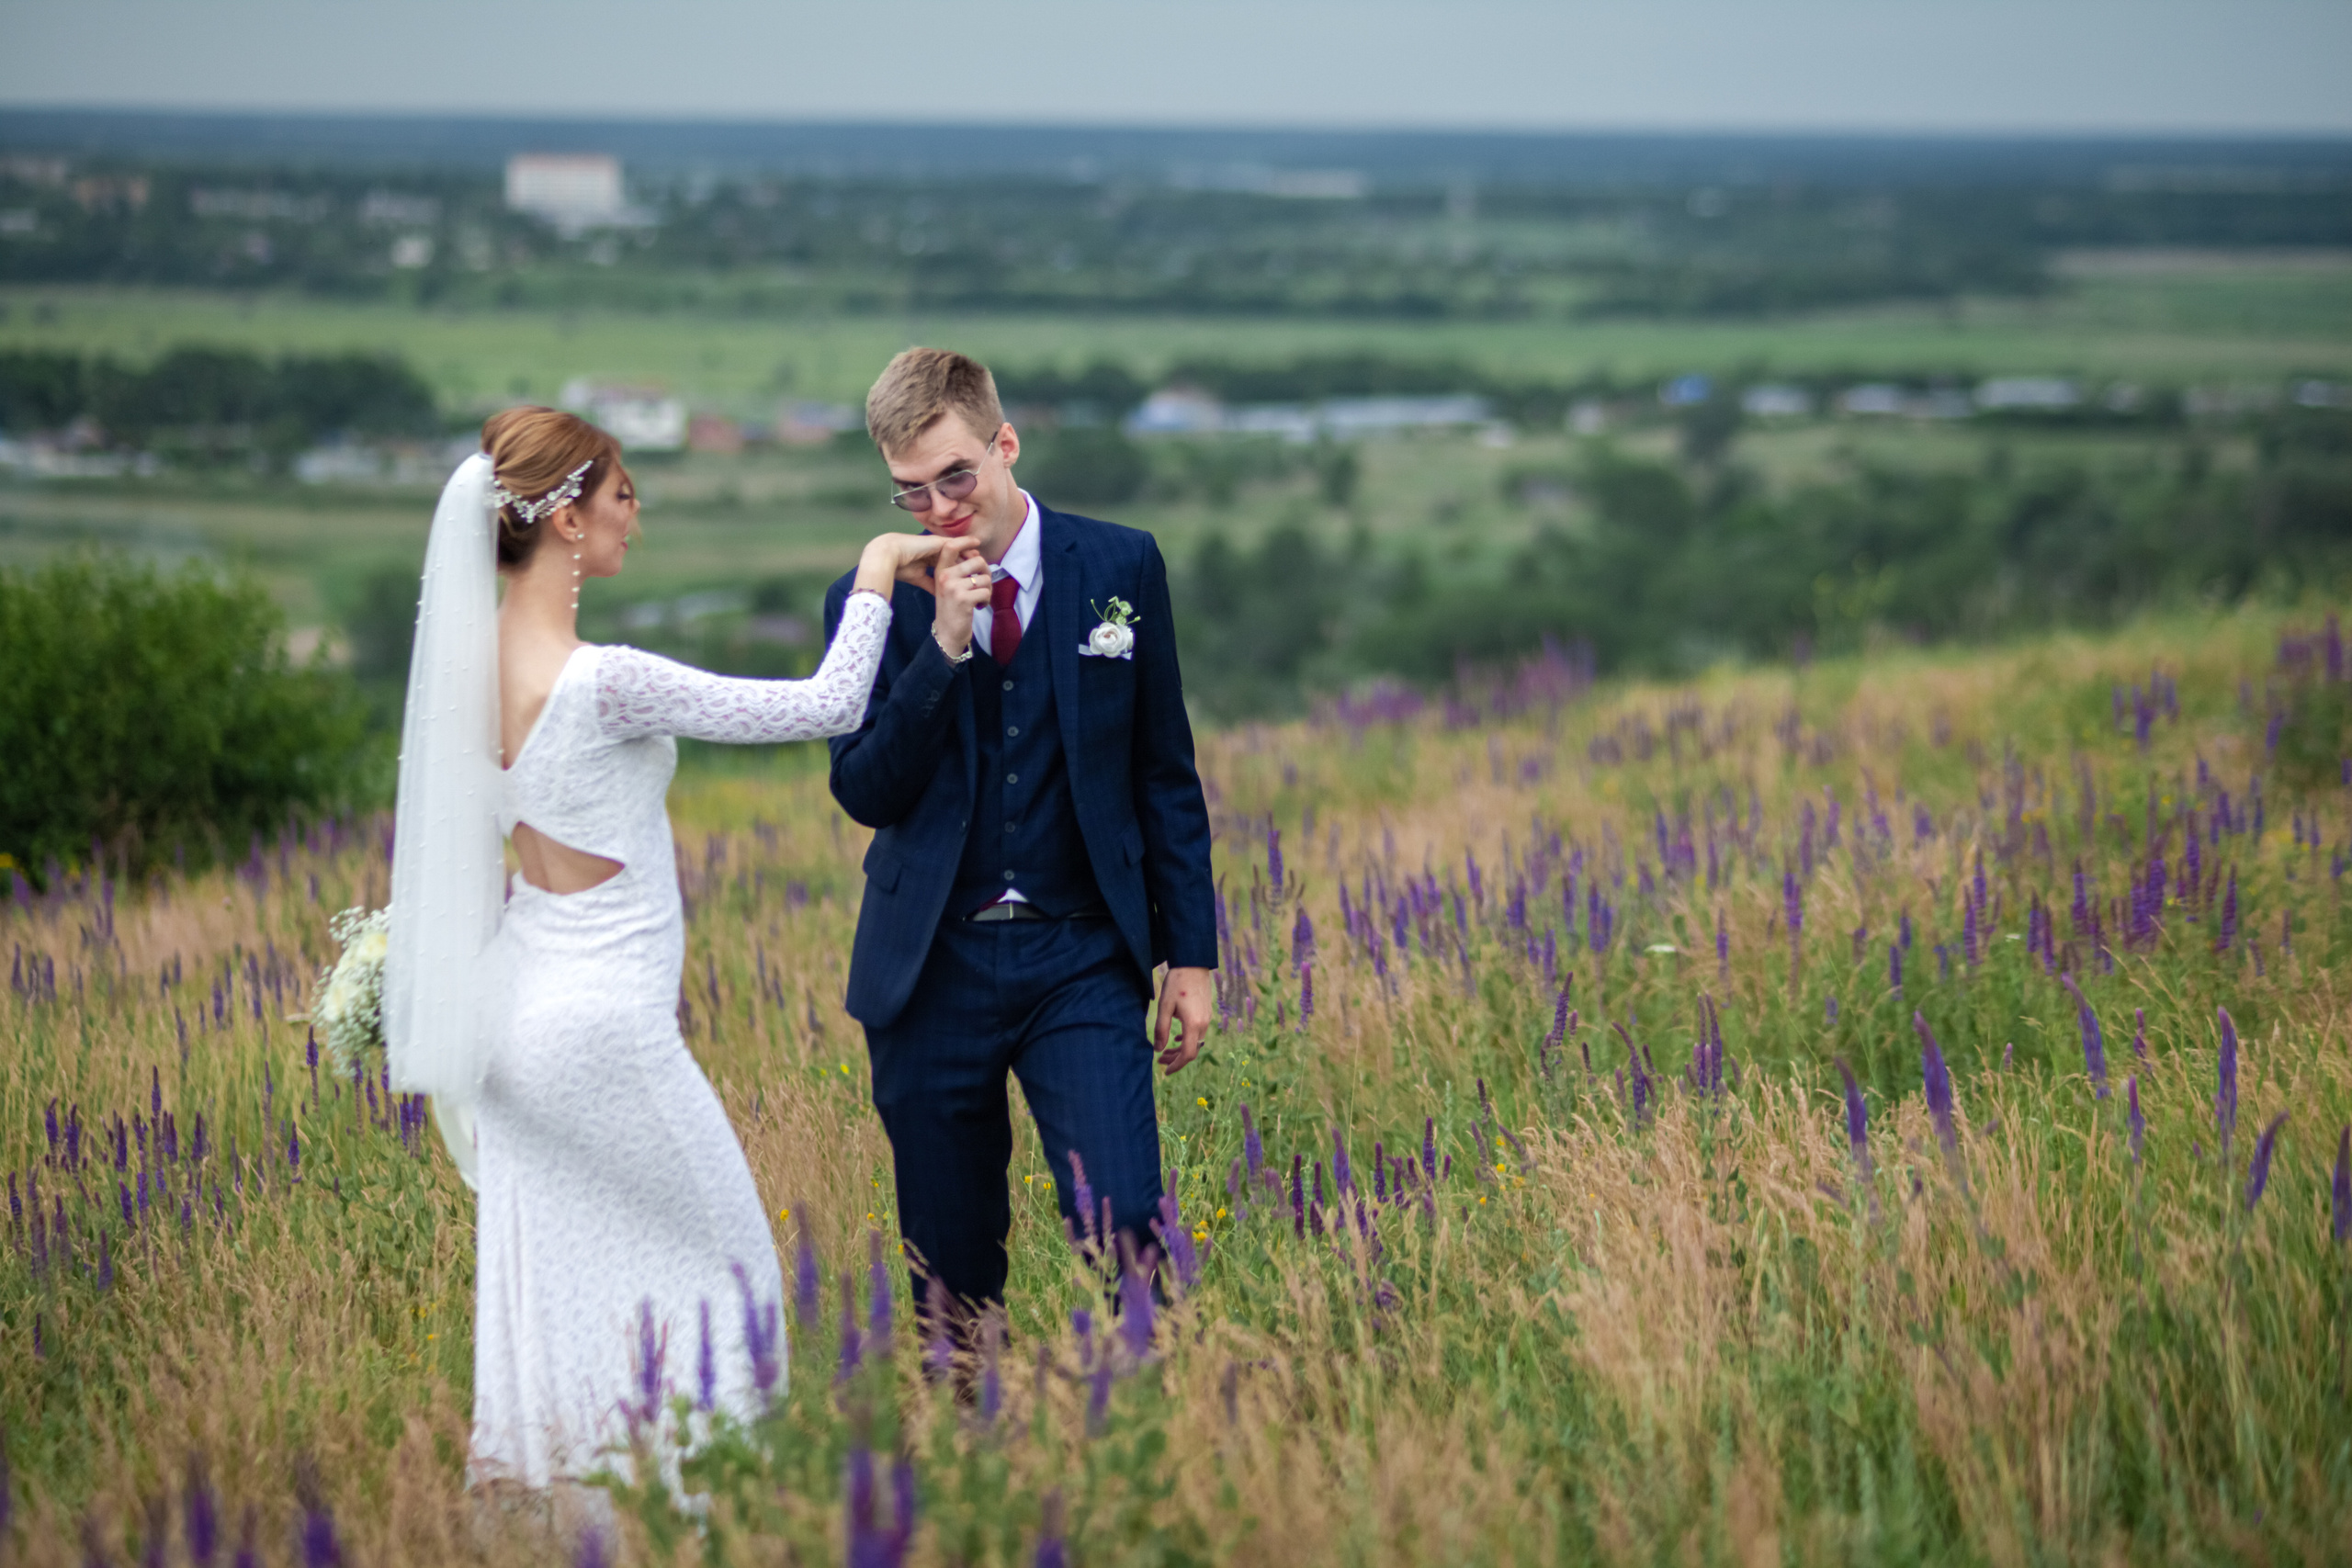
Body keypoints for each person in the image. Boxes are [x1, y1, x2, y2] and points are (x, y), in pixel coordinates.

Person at [380, 406, 988, 1499]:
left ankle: (581, 1513)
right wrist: (875, 568)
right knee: (741, 1283)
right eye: (621, 496)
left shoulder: (463, 690)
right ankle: (706, 1515)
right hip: (605, 1029)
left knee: (570, 1303)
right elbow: (827, 703)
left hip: (513, 1023)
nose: (636, 518)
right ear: (563, 520)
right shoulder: (603, 680)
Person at [820, 349, 1216, 1332]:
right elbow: (864, 789)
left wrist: (1191, 954)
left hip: (1081, 950)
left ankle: (1139, 1426)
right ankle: (968, 1449)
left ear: (1005, 443)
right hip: (931, 964)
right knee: (949, 1267)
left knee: (1123, 1218)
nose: (940, 507)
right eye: (910, 493)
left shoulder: (1120, 565)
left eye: (956, 475)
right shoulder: (867, 601)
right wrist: (943, 649)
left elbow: (1163, 771)